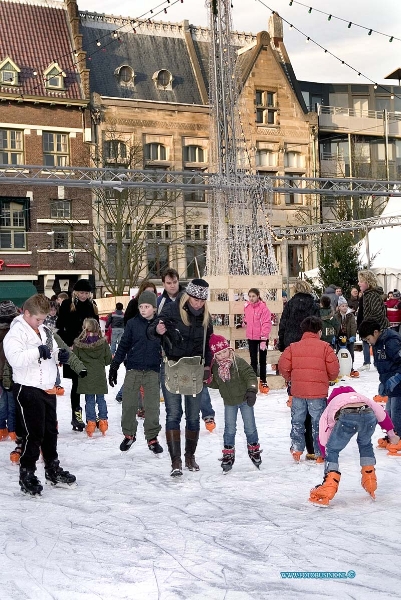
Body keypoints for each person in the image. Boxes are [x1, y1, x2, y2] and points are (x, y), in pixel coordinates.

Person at [3, 294, 77, 496]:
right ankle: (27, 473)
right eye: (38, 319)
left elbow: (49, 351)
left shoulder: (44, 331)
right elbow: (15, 359)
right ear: (26, 314)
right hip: (27, 389)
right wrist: (38, 352)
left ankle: (52, 469)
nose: (41, 322)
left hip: (47, 388)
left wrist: (58, 355)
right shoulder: (15, 334)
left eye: (44, 319)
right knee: (32, 434)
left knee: (50, 432)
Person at [149, 278, 213, 477]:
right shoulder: (171, 309)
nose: (198, 304)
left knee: (193, 416)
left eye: (202, 301)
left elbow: (209, 343)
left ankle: (189, 456)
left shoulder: (205, 316)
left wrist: (209, 367)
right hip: (173, 367)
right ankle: (175, 460)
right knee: (173, 414)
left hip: (195, 369)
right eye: (195, 299)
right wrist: (157, 330)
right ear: (188, 295)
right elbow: (152, 329)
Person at [309, 386, 400, 506]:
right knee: (365, 444)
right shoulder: (361, 397)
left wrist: (324, 452)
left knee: (332, 449)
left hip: (347, 415)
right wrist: (391, 434)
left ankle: (329, 485)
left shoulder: (332, 404)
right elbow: (381, 413)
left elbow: (323, 432)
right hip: (368, 413)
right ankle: (370, 479)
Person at [278, 316, 339, 463]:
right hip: (317, 393)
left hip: (298, 392)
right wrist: (327, 378)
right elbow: (334, 370)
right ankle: (319, 452)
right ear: (319, 331)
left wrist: (291, 378)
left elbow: (283, 367)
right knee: (318, 423)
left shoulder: (293, 347)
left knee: (297, 421)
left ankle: (297, 449)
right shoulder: (325, 347)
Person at [109, 291, 163, 455]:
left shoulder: (160, 325)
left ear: (154, 308)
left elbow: (170, 343)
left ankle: (152, 438)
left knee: (152, 406)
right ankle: (129, 434)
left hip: (152, 370)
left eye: (147, 307)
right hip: (133, 369)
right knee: (129, 404)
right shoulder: (132, 324)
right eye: (141, 306)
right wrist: (115, 365)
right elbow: (123, 345)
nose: (143, 310)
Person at [207, 334, 261, 472]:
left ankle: (254, 449)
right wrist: (207, 380)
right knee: (229, 429)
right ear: (215, 356)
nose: (223, 355)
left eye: (224, 351)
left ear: (229, 349)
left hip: (244, 399)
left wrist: (252, 390)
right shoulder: (215, 368)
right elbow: (217, 383)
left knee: (250, 427)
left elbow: (250, 375)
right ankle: (228, 454)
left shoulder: (238, 362)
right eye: (219, 354)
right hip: (229, 402)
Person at [278, 279, 319, 459]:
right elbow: (318, 326)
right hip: (310, 346)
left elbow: (283, 324)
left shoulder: (290, 304)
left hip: (292, 345)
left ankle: (298, 445)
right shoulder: (313, 304)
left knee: (297, 384)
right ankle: (313, 447)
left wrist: (282, 343)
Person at [56, 279, 99, 431]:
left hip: (88, 350)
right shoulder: (68, 304)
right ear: (75, 292)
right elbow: (60, 327)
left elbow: (97, 328)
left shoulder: (92, 306)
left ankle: (92, 416)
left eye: (86, 293)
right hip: (73, 350)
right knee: (77, 384)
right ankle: (77, 416)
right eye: (81, 292)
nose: (84, 295)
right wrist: (69, 344)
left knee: (89, 383)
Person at [359, 318, 401, 449]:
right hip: (390, 382)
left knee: (396, 411)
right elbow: (381, 365)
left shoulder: (391, 341)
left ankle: (398, 436)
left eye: (368, 339)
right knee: (388, 411)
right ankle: (392, 435)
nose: (368, 342)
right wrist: (383, 382)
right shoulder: (377, 343)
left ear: (376, 332)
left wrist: (397, 377)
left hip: (398, 382)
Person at [119, 280, 157, 408]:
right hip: (135, 346)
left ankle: (141, 405)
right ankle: (139, 405)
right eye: (147, 292)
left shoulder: (155, 310)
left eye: (152, 292)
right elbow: (127, 322)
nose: (150, 294)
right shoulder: (134, 304)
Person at [73, 318, 112, 437]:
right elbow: (108, 360)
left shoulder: (78, 344)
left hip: (86, 376)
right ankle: (103, 422)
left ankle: (91, 423)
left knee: (89, 400)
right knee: (101, 399)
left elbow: (75, 360)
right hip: (99, 375)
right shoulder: (103, 343)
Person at [357, 270, 389, 371]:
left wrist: (367, 324)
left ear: (368, 282)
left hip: (379, 329)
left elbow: (377, 312)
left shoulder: (372, 295)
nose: (359, 283)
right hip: (375, 329)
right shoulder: (367, 294)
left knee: (382, 353)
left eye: (361, 281)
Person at [242, 287, 272, 394]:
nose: (251, 298)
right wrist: (244, 323)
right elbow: (246, 318)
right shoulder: (247, 307)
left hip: (261, 338)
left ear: (258, 296)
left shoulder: (263, 308)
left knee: (262, 361)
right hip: (251, 337)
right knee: (253, 360)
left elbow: (266, 323)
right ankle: (253, 382)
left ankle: (263, 381)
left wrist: (264, 339)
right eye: (249, 296)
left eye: (253, 296)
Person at [0, 300, 19, 440]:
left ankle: (1, 428)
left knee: (2, 404)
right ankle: (12, 429)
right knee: (12, 404)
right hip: (12, 372)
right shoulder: (15, 332)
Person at [337, 298, 358, 377]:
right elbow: (335, 327)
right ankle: (339, 367)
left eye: (346, 306)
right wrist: (334, 336)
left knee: (351, 352)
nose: (345, 307)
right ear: (339, 307)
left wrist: (353, 335)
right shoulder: (336, 316)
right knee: (339, 352)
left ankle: (350, 367)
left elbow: (353, 326)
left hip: (349, 336)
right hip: (339, 337)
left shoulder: (350, 315)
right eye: (343, 306)